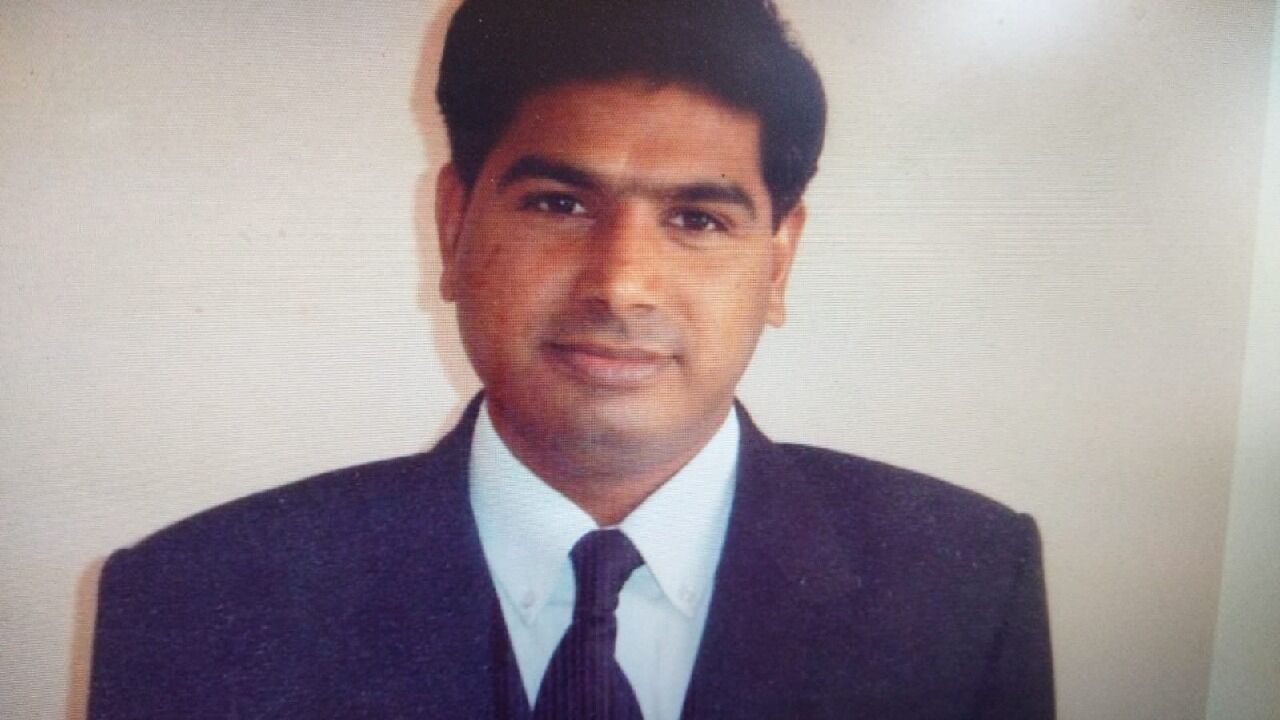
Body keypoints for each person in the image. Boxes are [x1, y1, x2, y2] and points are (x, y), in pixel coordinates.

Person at [88, 0, 1054, 717]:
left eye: (697, 219)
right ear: (454, 224)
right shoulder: (200, 598)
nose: (620, 285)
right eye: (559, 204)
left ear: (778, 261)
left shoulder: (964, 586)